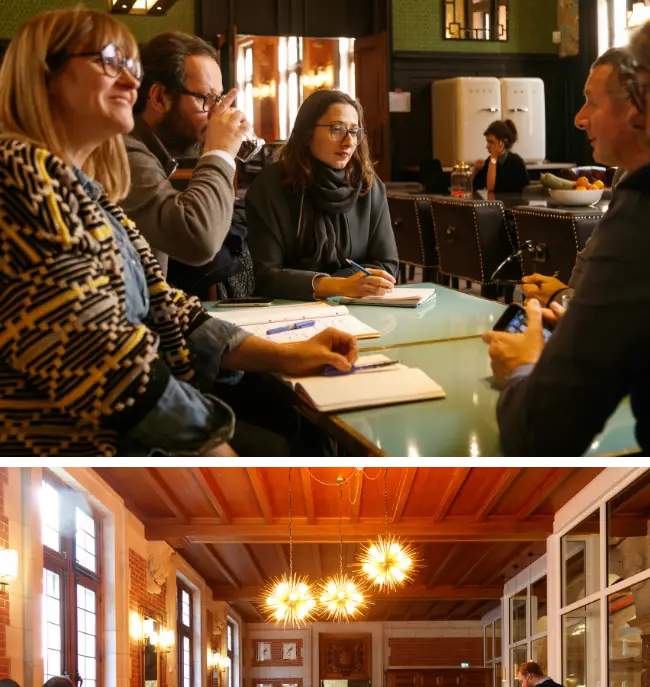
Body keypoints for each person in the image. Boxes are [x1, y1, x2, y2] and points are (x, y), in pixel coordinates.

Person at [0, 8, 359, 463]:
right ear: (45, 74)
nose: (132, 84)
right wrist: (210, 440)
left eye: (132, 66)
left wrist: (285, 354)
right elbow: (105, 364)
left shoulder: (82, 185)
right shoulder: (20, 174)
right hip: (68, 457)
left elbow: (164, 305)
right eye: (111, 61)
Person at [482, 29, 650, 462]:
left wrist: (524, 365)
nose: (578, 117)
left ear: (639, 107)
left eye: (592, 101)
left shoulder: (642, 206)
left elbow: (539, 436)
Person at [519, 47, 650, 309]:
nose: (579, 119)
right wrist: (565, 304)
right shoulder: (626, 175)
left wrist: (563, 299)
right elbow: (595, 253)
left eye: (593, 102)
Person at [246, 88, 399, 301]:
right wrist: (339, 285)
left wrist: (343, 287)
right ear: (307, 132)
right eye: (337, 129)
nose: (348, 142)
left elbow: (387, 266)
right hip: (288, 311)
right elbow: (266, 276)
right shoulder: (271, 184)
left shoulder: (368, 186)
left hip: (358, 307)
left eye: (354, 131)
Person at [122, 31, 244, 281]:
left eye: (219, 99)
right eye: (206, 99)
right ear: (159, 97)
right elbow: (200, 241)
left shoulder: (149, 153)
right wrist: (219, 152)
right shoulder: (125, 153)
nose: (216, 114)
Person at [472, 119, 529, 195]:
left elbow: (491, 188)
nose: (487, 146)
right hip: (495, 206)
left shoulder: (516, 162)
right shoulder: (489, 161)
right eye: (487, 141)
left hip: (513, 205)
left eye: (491, 142)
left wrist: (493, 157)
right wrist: (475, 170)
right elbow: (472, 187)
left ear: (503, 143)